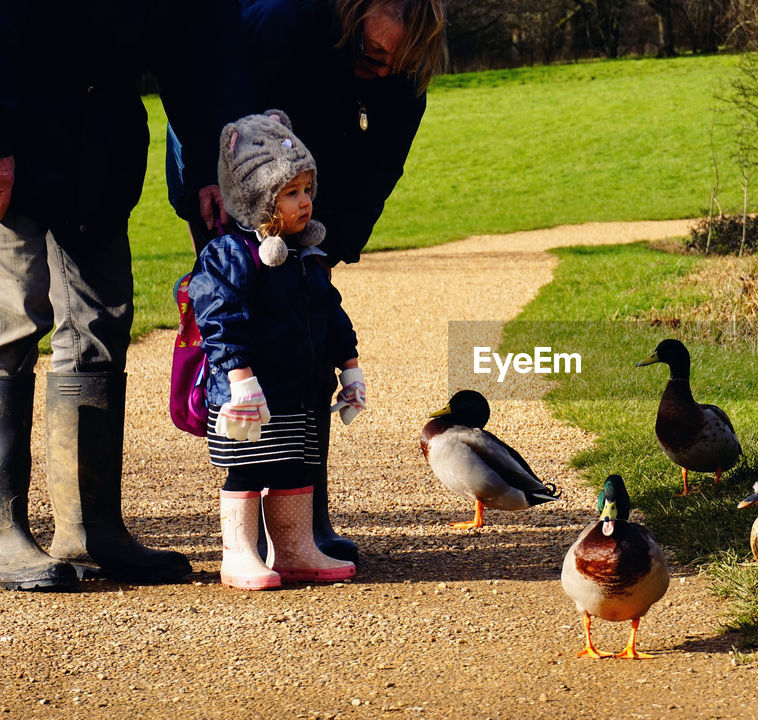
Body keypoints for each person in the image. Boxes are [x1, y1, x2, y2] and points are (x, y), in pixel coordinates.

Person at [167, 0, 446, 562]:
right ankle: (247, 518)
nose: (385, 69)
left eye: (398, 63)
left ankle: (303, 517)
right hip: (230, 184)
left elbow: (380, 170)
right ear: (358, 10)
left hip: (310, 201)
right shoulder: (283, 21)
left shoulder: (407, 66)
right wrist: (207, 180)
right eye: (374, 55)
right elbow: (211, 94)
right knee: (245, 340)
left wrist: (330, 247)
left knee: (309, 339)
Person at [0, 1, 243, 591]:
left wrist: (213, 162)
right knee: (11, 321)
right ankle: (2, 528)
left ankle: (90, 526)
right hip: (16, 134)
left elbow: (195, 52)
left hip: (100, 149)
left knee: (101, 322)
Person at [188, 111, 365, 590]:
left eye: (308, 189)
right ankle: (240, 553)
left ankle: (294, 548)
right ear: (256, 198)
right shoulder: (231, 254)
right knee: (246, 470)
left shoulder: (305, 255)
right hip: (248, 394)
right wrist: (238, 377)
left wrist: (349, 367)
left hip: (296, 389)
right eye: (291, 193)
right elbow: (220, 319)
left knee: (294, 465)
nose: (305, 201)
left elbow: (331, 314)